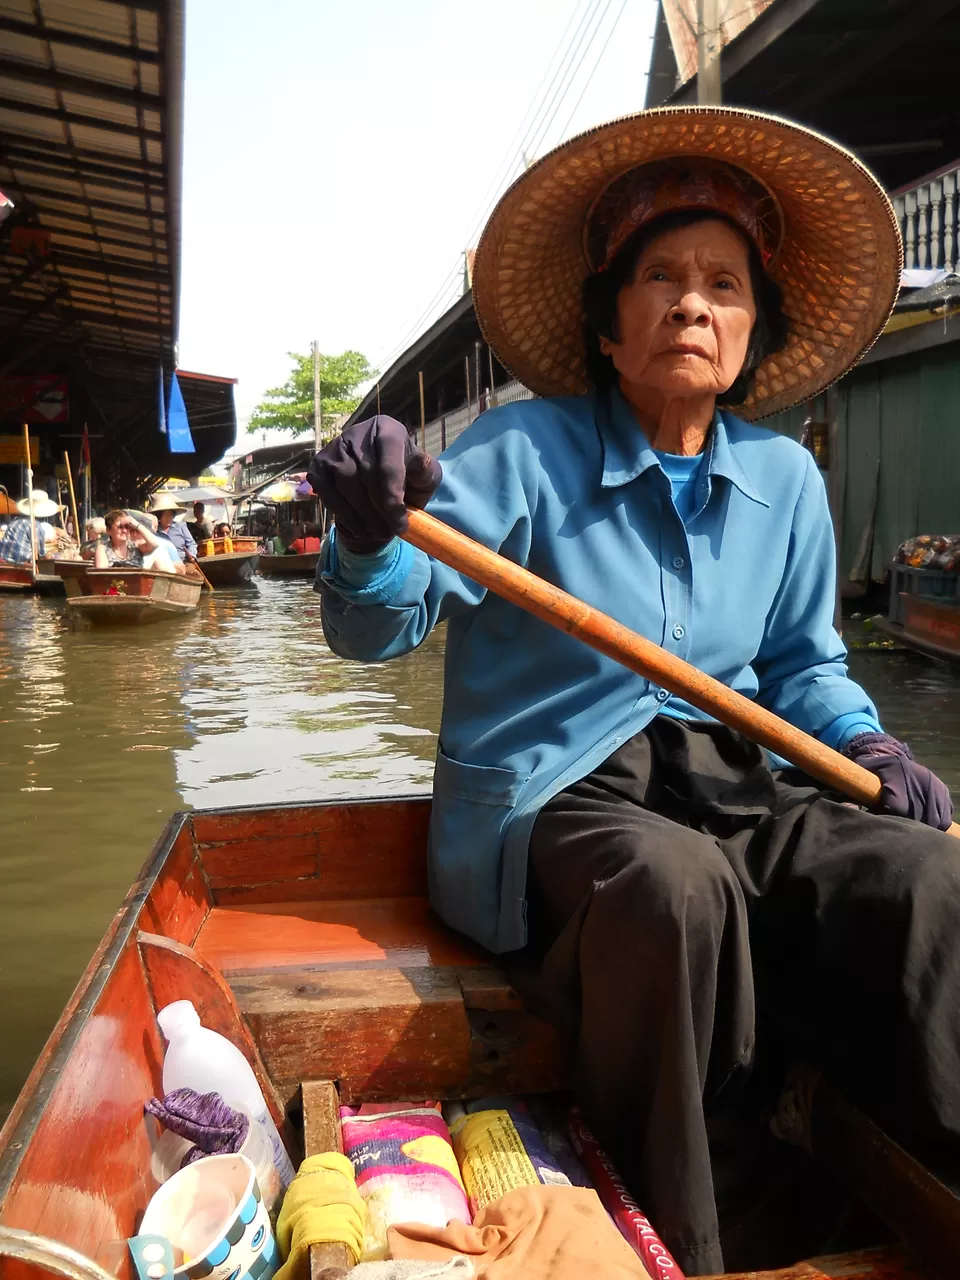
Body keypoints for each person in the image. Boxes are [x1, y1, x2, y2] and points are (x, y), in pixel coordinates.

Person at [309, 108, 960, 1275]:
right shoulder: (522, 451)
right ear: (609, 325)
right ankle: (692, 1223)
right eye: (660, 276)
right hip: (558, 797)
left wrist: (871, 742)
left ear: (754, 327)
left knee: (925, 876)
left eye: (722, 282)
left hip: (734, 782)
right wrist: (368, 537)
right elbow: (383, 621)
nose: (691, 301)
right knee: (676, 887)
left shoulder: (784, 479)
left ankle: (933, 1172)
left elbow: (806, 666)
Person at [95, 509, 183, 572]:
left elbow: (155, 544)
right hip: (114, 589)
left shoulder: (134, 545)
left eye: (127, 527)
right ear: (108, 530)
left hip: (137, 590)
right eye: (120, 527)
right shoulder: (103, 548)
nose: (125, 530)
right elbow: (101, 574)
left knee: (161, 563)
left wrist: (135, 523)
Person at [0, 489, 73, 563]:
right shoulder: (36, 527)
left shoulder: (14, 521)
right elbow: (41, 553)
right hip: (21, 563)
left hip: (3, 560)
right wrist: (50, 558)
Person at [148, 493, 198, 565]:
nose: (169, 518)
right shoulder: (154, 530)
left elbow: (191, 543)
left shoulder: (180, 526)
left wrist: (192, 555)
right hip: (162, 564)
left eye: (171, 515)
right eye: (166, 515)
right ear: (159, 517)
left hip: (183, 562)